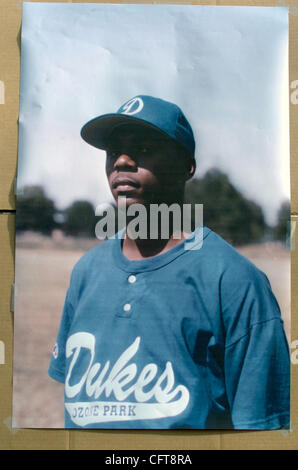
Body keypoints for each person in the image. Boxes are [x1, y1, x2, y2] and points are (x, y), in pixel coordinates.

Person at [48, 95, 290, 429]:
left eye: (143, 148)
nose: (121, 162)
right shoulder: (86, 272)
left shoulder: (235, 280)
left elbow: (261, 429)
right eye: (113, 151)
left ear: (186, 166)